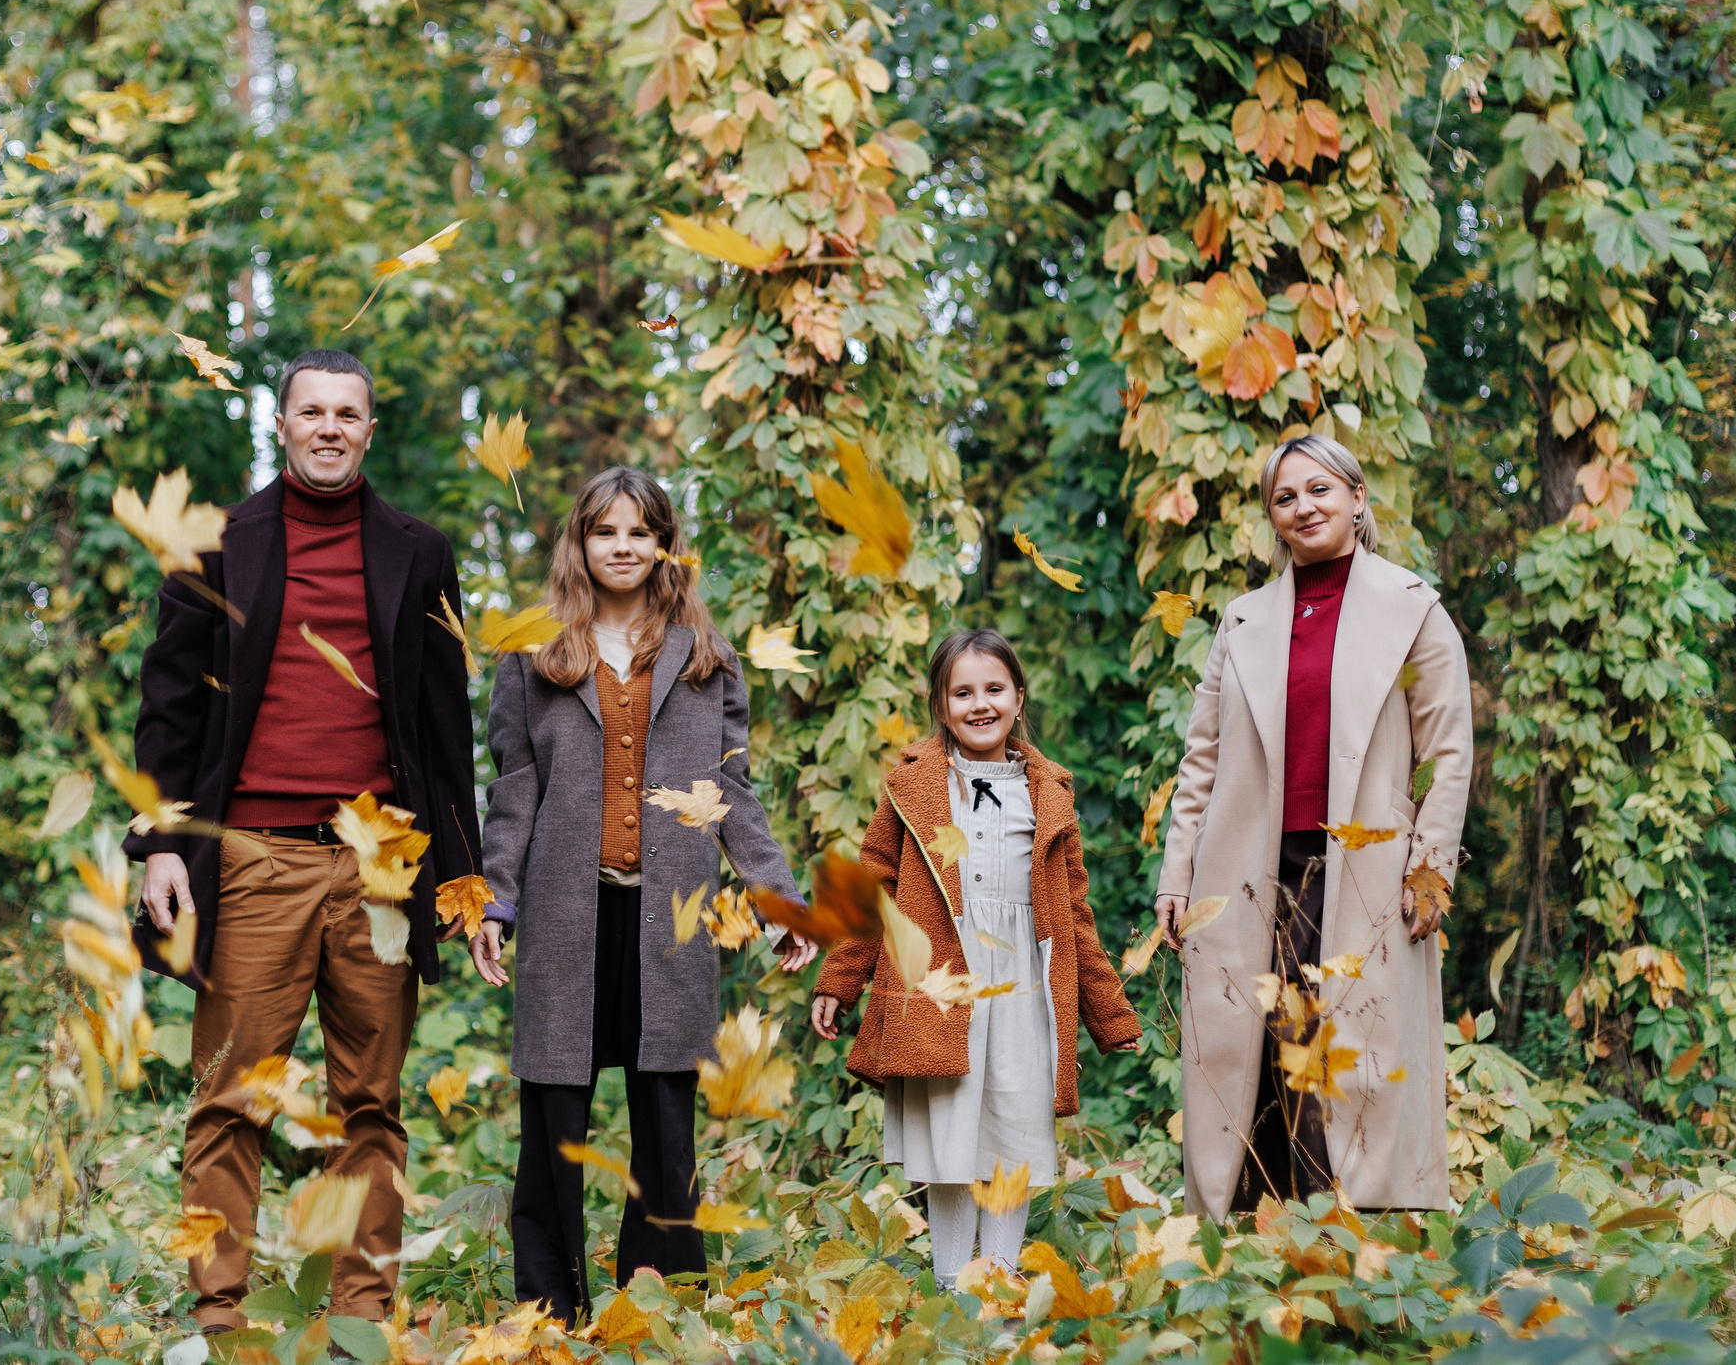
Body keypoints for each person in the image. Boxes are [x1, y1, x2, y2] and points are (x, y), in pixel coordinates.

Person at [127, 347, 481, 1332]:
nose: (329, 427)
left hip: (379, 867)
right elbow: (166, 708)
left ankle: (361, 1325)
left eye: (348, 413)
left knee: (370, 1107)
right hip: (249, 859)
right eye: (311, 411)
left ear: (372, 429)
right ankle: (218, 1322)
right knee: (229, 1100)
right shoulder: (216, 542)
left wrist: (464, 881)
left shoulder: (421, 553)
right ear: (281, 425)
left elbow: (445, 732)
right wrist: (160, 845)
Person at [471, 467, 818, 1322]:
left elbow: (732, 791)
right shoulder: (533, 651)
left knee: (665, 1117)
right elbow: (513, 785)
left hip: (670, 916)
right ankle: (548, 1308)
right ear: (579, 543)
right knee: (555, 1114)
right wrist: (494, 899)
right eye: (605, 531)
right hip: (564, 912)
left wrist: (774, 896)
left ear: (664, 543)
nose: (621, 547)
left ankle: (658, 1302)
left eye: (639, 531)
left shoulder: (706, 655)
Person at [1154, 433, 1473, 1216]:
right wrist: (1177, 876)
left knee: (1350, 1052)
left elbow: (1448, 751)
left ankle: (1356, 1236)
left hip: (1365, 872)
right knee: (1251, 1045)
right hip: (1245, 872)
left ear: (1357, 498)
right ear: (1273, 516)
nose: (1304, 507)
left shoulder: (1412, 610)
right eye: (1285, 497)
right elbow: (1201, 761)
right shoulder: (1242, 621)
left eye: (1320, 489)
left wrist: (1429, 869)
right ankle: (1257, 1238)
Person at [809, 628, 1141, 1285]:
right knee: (953, 1136)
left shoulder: (1049, 793)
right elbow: (871, 885)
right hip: (942, 985)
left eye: (994, 688)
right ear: (940, 704)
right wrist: (840, 978)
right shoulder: (914, 785)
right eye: (963, 691)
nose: (980, 703)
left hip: (1022, 984)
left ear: (1019, 697)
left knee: (1015, 1131)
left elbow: (1075, 914)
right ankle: (951, 1286)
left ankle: (1001, 1280)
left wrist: (1110, 1015)